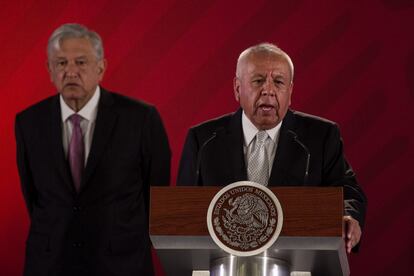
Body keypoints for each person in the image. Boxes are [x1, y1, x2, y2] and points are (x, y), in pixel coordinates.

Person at [177, 43, 366, 254]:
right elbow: (183, 213)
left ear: (290, 90)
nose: (268, 91)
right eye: (258, 81)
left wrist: (350, 217)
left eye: (278, 82)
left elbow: (348, 192)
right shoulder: (203, 140)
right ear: (237, 88)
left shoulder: (320, 136)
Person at [15, 23, 170, 276]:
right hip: (50, 262)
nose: (71, 72)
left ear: (101, 68)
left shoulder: (141, 118)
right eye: (61, 63)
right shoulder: (28, 122)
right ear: (49, 70)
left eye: (81, 62)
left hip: (121, 263)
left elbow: (157, 193)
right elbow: (34, 196)